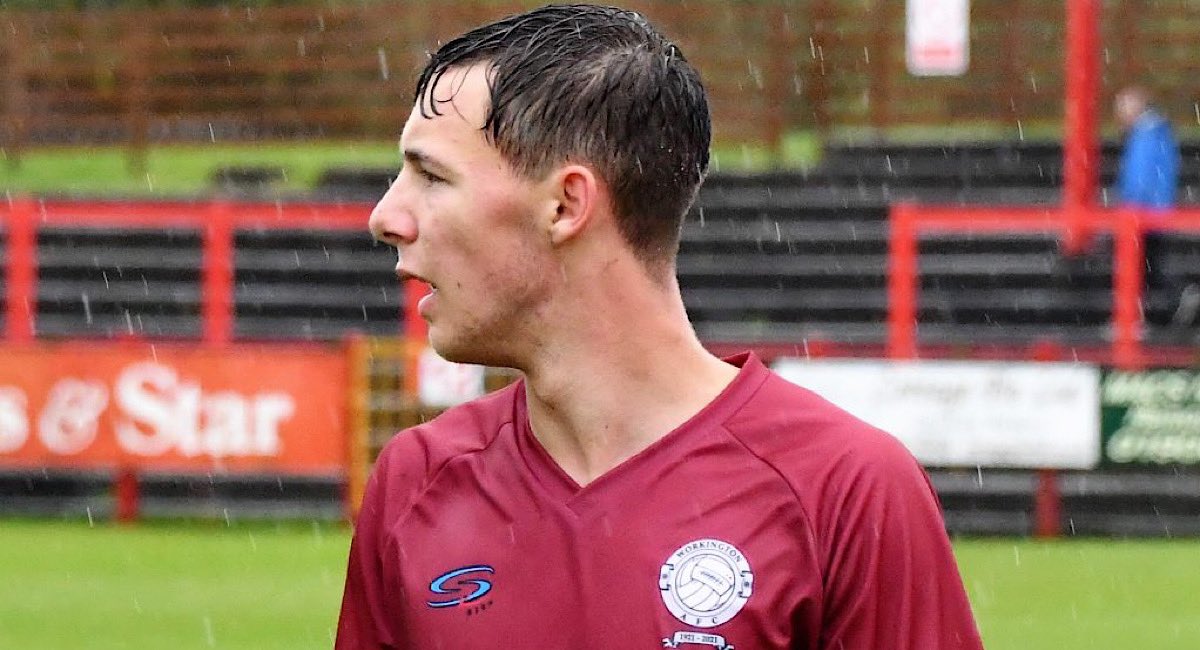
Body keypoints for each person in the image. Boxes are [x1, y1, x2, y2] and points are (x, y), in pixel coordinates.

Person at [337, 4, 982, 649]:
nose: (385, 217)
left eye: (432, 176)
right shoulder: (415, 482)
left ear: (565, 205)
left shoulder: (846, 489)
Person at [1113, 86, 1192, 327]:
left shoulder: (1147, 134)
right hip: (1149, 212)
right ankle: (1166, 305)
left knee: (1142, 267)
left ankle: (1142, 316)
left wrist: (1130, 205)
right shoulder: (1151, 132)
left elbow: (1141, 177)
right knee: (1149, 267)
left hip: (1144, 214)